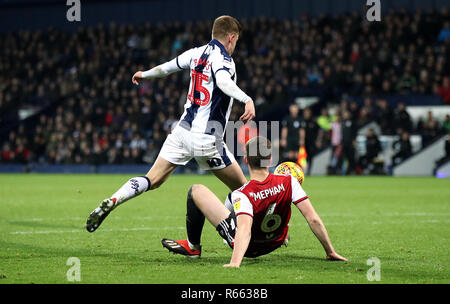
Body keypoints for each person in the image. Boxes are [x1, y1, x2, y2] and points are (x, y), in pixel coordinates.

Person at [86, 15, 256, 232]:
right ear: (231, 37)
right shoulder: (224, 60)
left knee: (152, 179)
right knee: (243, 189)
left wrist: (144, 74)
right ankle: (231, 232)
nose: (235, 46)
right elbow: (222, 80)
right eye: (236, 41)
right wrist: (247, 99)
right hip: (207, 138)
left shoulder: (195, 53)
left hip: (182, 132)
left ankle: (114, 199)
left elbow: (166, 68)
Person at [161, 136, 347, 267]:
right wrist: (330, 251)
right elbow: (312, 218)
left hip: (250, 248)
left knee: (197, 190)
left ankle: (193, 247)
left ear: (246, 160)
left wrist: (235, 263)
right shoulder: (289, 180)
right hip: (275, 241)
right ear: (270, 159)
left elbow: (244, 230)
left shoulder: (243, 193)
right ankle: (284, 237)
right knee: (257, 204)